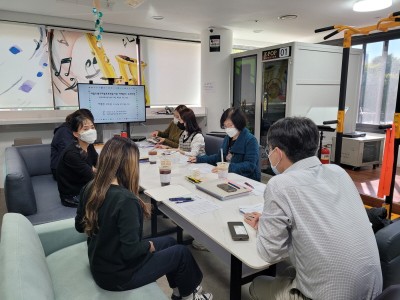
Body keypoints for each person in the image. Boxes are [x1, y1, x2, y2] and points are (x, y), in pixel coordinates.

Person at [244, 117, 382, 300]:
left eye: (268, 150)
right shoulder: (338, 172)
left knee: (257, 284)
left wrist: (266, 227)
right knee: (289, 272)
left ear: (277, 152)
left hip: (329, 296)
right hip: (373, 290)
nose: (268, 155)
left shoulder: (279, 184)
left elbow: (269, 253)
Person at [75, 137, 212, 300]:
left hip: (101, 263)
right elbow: (131, 251)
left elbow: (79, 226)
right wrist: (149, 245)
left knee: (170, 243)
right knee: (181, 253)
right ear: (129, 165)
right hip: (118, 276)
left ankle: (179, 293)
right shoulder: (126, 200)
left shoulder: (90, 187)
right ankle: (189, 296)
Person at [189, 108, 260, 181]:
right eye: (225, 126)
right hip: (228, 177)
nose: (228, 129)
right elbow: (219, 157)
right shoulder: (228, 138)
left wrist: (228, 167)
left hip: (245, 180)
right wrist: (199, 159)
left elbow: (250, 165)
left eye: (230, 125)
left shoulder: (250, 140)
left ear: (239, 123)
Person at [56, 114, 98, 207]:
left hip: (85, 185)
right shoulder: (71, 154)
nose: (91, 131)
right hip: (73, 196)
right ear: (75, 134)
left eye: (92, 127)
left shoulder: (88, 144)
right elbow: (92, 175)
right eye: (85, 129)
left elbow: (98, 163)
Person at [51, 109, 94, 179]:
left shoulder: (86, 138)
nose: (90, 130)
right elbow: (73, 158)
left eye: (92, 127)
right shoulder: (64, 131)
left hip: (80, 166)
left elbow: (95, 159)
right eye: (86, 128)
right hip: (63, 170)